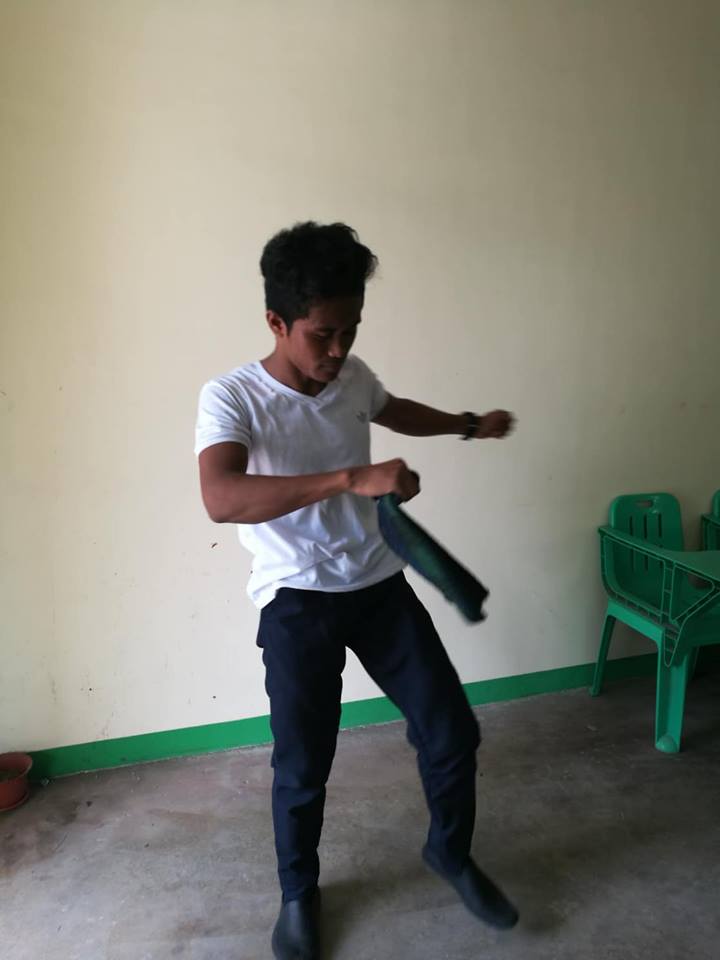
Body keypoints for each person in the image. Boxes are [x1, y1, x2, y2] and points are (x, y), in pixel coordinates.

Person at [195, 222, 518, 959]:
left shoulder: (352, 376)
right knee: (303, 765)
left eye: (351, 330)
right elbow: (221, 496)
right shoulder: (233, 397)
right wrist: (350, 477)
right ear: (277, 322)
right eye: (323, 334)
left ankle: (449, 853)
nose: (338, 350)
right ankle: (299, 894)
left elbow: (390, 407)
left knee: (451, 731)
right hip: (296, 600)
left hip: (377, 586)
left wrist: (468, 425)